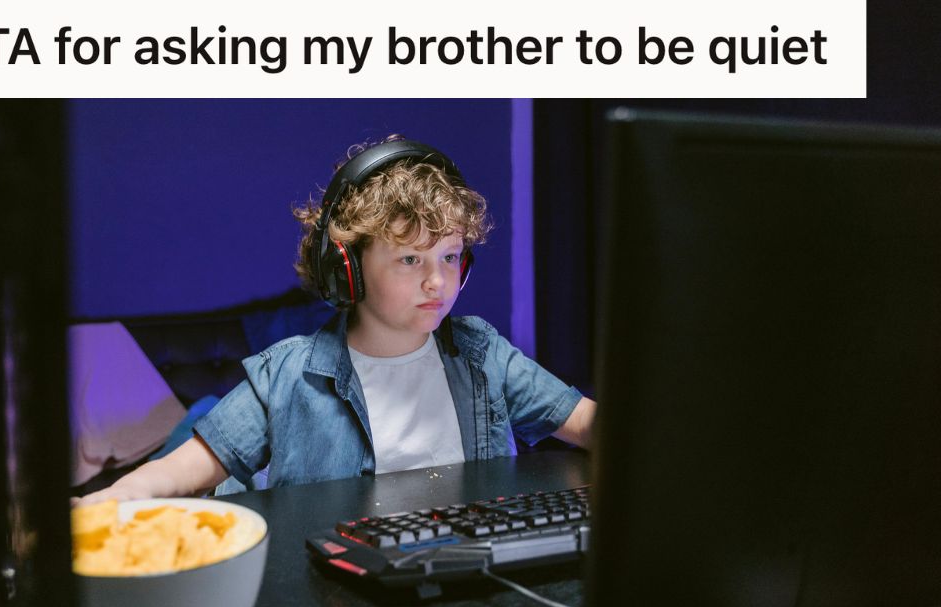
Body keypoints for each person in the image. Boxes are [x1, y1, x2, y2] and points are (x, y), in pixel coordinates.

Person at [76, 137, 595, 505]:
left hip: (465, 580)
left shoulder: (483, 354)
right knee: (200, 421)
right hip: (335, 593)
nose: (439, 282)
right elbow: (183, 468)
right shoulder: (288, 375)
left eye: (451, 257)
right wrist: (119, 495)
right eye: (411, 260)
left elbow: (586, 422)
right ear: (348, 268)